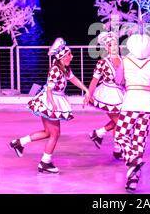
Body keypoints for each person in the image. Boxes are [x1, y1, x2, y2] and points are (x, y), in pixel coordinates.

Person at [9, 38, 90, 174]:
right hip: (50, 100)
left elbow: (73, 79)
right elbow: (49, 90)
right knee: (55, 134)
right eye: (69, 54)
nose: (72, 56)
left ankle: (19, 142)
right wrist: (52, 104)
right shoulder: (55, 70)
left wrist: (86, 90)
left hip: (54, 99)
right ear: (63, 57)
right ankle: (44, 162)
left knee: (48, 133)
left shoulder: (64, 68)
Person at [114, 33, 150, 192]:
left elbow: (118, 80)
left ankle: (132, 159)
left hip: (131, 101)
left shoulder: (126, 61)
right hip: (147, 104)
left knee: (121, 135)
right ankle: (133, 179)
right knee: (139, 139)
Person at [86, 31, 125, 160]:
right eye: (110, 45)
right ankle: (117, 147)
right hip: (107, 94)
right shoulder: (102, 63)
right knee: (119, 122)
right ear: (106, 48)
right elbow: (94, 80)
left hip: (121, 93)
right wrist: (89, 95)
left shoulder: (124, 60)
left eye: (115, 44)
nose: (113, 47)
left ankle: (101, 135)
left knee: (119, 121)